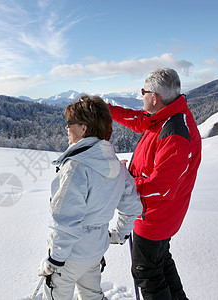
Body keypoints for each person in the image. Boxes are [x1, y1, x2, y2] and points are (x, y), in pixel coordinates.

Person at [108, 68, 202, 300]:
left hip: (153, 218)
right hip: (160, 215)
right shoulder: (168, 115)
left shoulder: (174, 134)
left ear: (154, 97)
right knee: (161, 264)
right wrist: (107, 111)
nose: (141, 95)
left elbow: (162, 187)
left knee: (147, 275)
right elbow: (141, 121)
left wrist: (125, 180)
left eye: (143, 91)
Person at [37, 95, 142, 300]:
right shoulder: (115, 165)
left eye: (70, 124)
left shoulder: (75, 167)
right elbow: (132, 206)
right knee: (92, 295)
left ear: (84, 128)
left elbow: (66, 219)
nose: (66, 128)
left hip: (70, 256)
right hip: (95, 250)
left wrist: (55, 260)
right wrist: (118, 235)